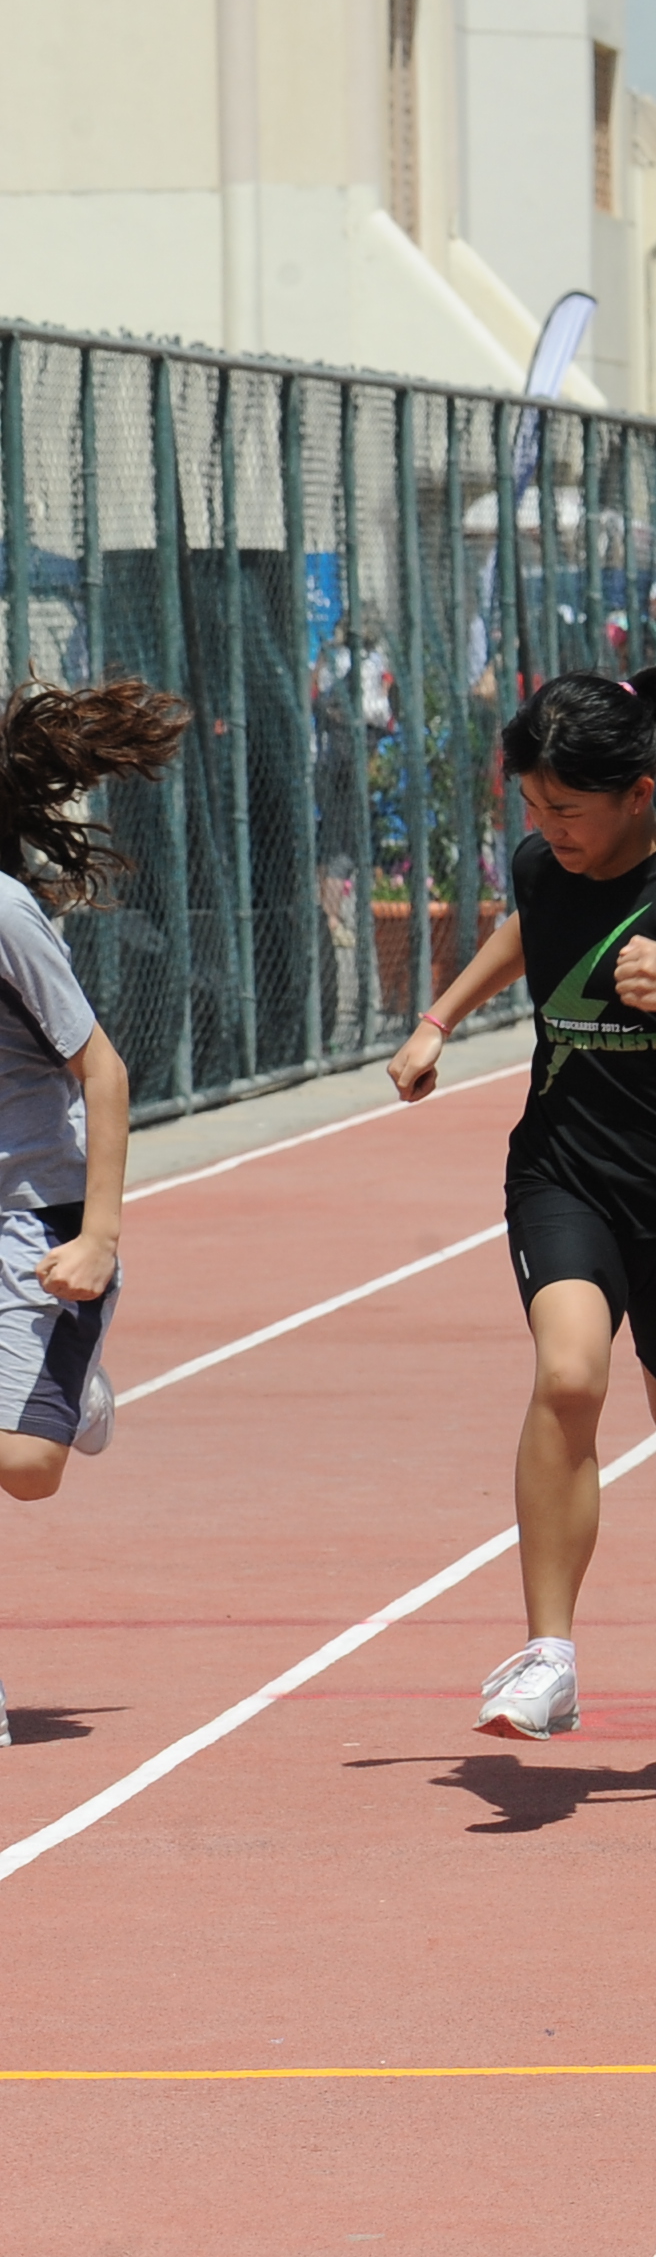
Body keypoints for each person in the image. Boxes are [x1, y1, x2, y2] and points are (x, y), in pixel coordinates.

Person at [387, 668, 656, 1743]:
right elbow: (531, 923)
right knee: (569, 1375)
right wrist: (438, 1018)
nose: (545, 829)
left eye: (565, 810)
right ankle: (549, 1657)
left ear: (637, 792)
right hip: (562, 1170)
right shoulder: (543, 864)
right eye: (531, 807)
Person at [0, 680, 191, 1730]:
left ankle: (72, 1383)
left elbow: (102, 1071)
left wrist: (102, 1242)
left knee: (26, 1471)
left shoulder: (4, 914)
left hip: (44, 1220)